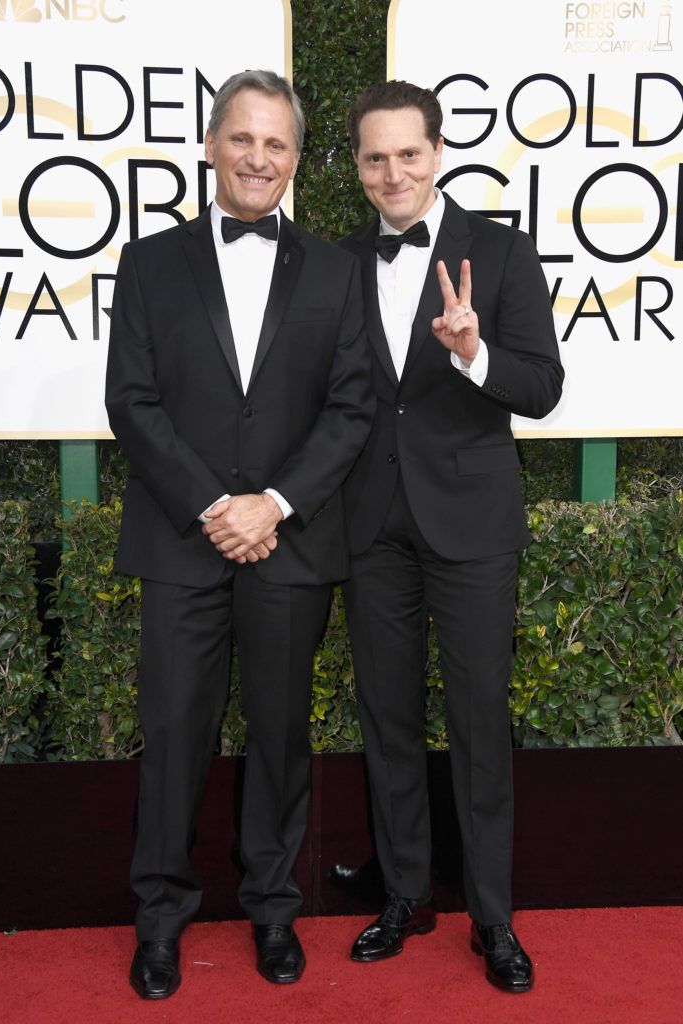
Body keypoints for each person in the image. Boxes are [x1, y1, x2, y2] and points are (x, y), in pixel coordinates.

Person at [105, 69, 373, 998]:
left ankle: (271, 909)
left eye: (278, 144)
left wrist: (274, 504)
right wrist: (215, 508)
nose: (259, 158)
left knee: (279, 734)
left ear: (296, 161)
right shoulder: (148, 263)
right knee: (174, 733)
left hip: (289, 544)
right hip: (182, 541)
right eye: (243, 139)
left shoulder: (339, 271)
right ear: (211, 145)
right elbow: (130, 403)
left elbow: (349, 410)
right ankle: (161, 920)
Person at [336, 81, 564, 992]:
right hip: (368, 523)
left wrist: (472, 353)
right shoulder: (335, 261)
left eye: (407, 153)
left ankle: (493, 918)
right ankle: (403, 896)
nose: (392, 171)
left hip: (470, 521)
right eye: (373, 156)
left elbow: (543, 387)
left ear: (438, 152)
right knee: (386, 719)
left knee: (476, 724)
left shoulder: (500, 253)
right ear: (354, 165)